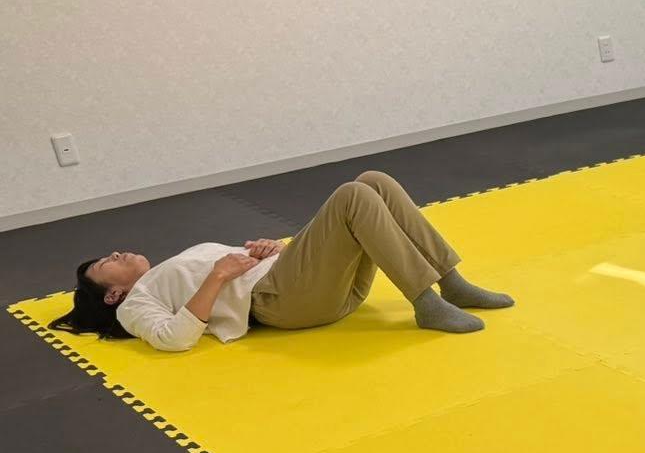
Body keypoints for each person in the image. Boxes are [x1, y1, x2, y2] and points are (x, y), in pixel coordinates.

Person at [50, 171, 512, 351]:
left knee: (374, 181)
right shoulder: (135, 305)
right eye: (105, 264)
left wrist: (272, 250)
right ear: (112, 293)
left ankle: (450, 281)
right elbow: (173, 340)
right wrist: (219, 275)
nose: (115, 253)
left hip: (302, 285)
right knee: (351, 195)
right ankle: (426, 302)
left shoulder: (173, 266)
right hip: (282, 303)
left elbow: (241, 271)